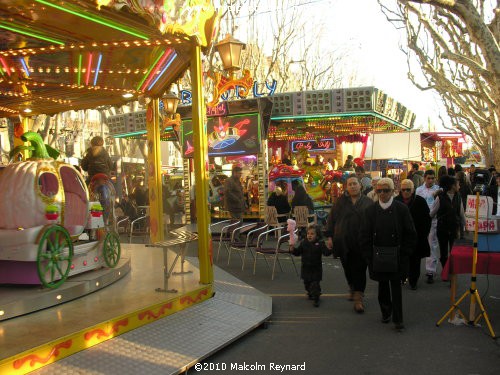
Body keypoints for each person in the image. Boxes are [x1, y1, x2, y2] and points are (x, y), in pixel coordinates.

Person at [360, 177, 417, 332]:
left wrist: (405, 253)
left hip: (397, 255)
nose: (383, 193)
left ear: (393, 191)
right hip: (378, 255)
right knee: (383, 286)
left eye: (386, 190)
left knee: (396, 288)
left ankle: (398, 319)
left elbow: (410, 233)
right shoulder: (370, 211)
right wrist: (369, 256)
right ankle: (386, 312)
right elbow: (364, 235)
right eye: (379, 190)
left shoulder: (401, 209)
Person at [326, 174, 373, 313]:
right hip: (343, 241)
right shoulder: (341, 202)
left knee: (360, 268)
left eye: (355, 183)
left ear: (360, 186)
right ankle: (352, 286)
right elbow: (331, 219)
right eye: (350, 184)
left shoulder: (368, 202)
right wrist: (329, 237)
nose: (352, 186)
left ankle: (359, 297)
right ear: (346, 187)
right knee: (348, 268)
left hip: (361, 242)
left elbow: (373, 221)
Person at [395, 179, 431, 290]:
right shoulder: (396, 201)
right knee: (402, 259)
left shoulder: (420, 201)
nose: (405, 192)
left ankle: (413, 281)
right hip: (401, 238)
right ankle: (403, 277)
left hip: (417, 237)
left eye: (408, 189)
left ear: (413, 190)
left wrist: (424, 234)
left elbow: (427, 219)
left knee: (415, 261)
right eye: (403, 189)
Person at [290, 224, 332, 307]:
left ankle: (316, 298)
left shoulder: (320, 243)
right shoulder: (304, 243)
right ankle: (310, 292)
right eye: (308, 233)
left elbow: (326, 253)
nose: (309, 235)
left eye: (312, 234)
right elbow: (298, 252)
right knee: (307, 284)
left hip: (316, 269)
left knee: (315, 285)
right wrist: (293, 249)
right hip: (306, 268)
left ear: (317, 235)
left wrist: (331, 249)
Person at [430, 175, 465, 270]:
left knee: (454, 251)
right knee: (443, 252)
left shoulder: (458, 197)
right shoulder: (440, 198)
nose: (459, 186)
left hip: (454, 228)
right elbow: (432, 213)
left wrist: (465, 226)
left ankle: (452, 271)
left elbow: (461, 213)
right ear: (452, 186)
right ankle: (445, 269)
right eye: (458, 184)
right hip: (442, 229)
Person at [416, 169, 441, 284]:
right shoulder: (419, 190)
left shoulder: (438, 190)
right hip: (420, 221)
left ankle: (430, 271)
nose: (430, 180)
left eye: (432, 178)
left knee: (432, 244)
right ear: (424, 178)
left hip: (433, 221)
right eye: (428, 178)